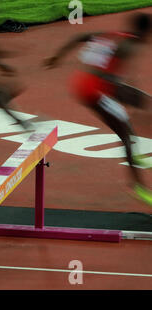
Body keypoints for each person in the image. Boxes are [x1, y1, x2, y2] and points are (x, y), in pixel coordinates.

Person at [44, 12, 151, 205]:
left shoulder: (117, 34)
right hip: (93, 89)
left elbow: (79, 37)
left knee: (137, 108)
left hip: (88, 82)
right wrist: (124, 97)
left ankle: (135, 157)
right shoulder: (127, 46)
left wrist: (56, 57)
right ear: (146, 32)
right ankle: (138, 187)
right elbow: (111, 80)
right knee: (125, 134)